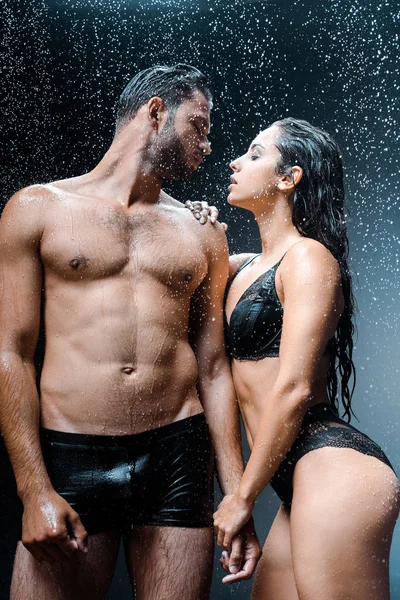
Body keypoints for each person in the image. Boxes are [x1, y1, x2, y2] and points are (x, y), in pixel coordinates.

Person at [0, 64, 261, 600]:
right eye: (199, 126)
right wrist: (33, 490)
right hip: (72, 452)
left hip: (178, 453)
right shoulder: (36, 209)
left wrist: (236, 495)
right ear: (156, 111)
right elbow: (12, 353)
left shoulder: (202, 230)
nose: (208, 144)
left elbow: (212, 368)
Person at [190, 118, 400, 598]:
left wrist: (242, 497)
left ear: (289, 178)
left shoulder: (307, 259)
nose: (235, 162)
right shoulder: (242, 266)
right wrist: (196, 220)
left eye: (256, 153)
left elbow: (295, 387)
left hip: (334, 467)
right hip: (295, 479)